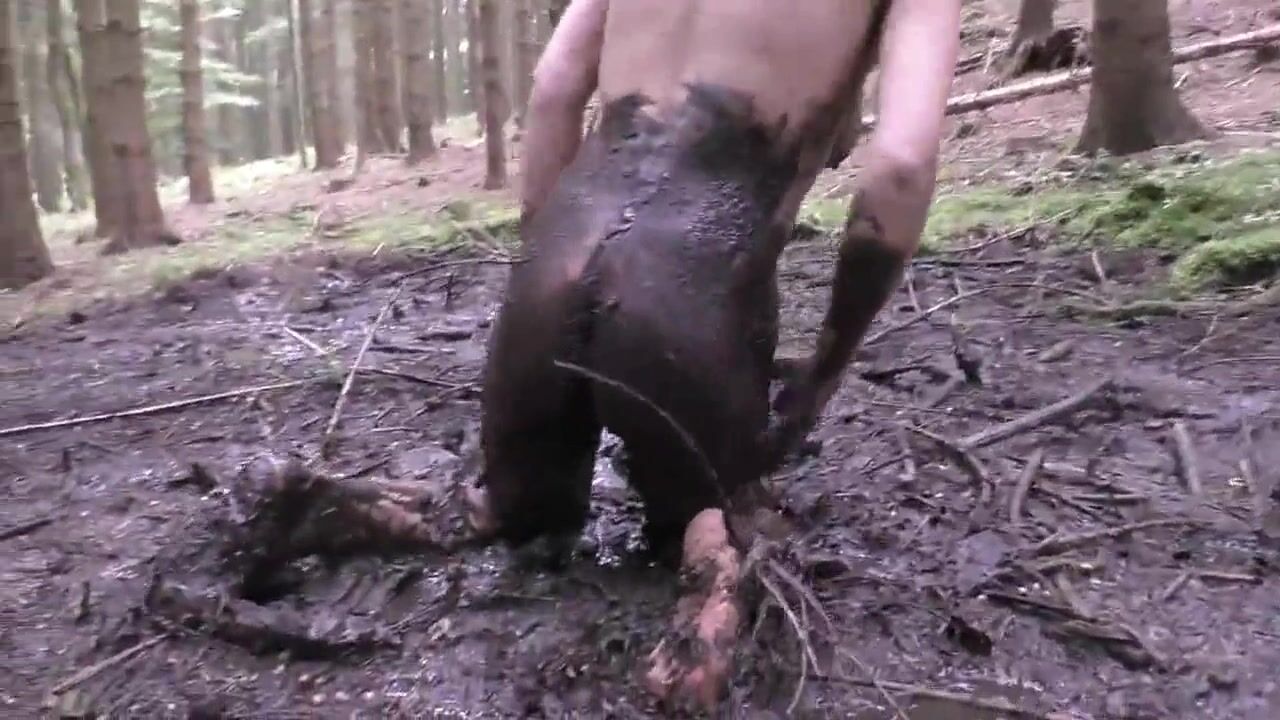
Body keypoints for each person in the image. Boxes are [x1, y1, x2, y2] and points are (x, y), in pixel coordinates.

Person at [467, 0, 962, 709]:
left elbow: (553, 88)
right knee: (721, 517)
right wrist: (827, 365)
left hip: (550, 274)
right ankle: (711, 569)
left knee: (517, 524)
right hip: (687, 302)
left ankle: (438, 506)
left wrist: (539, 269)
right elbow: (903, 168)